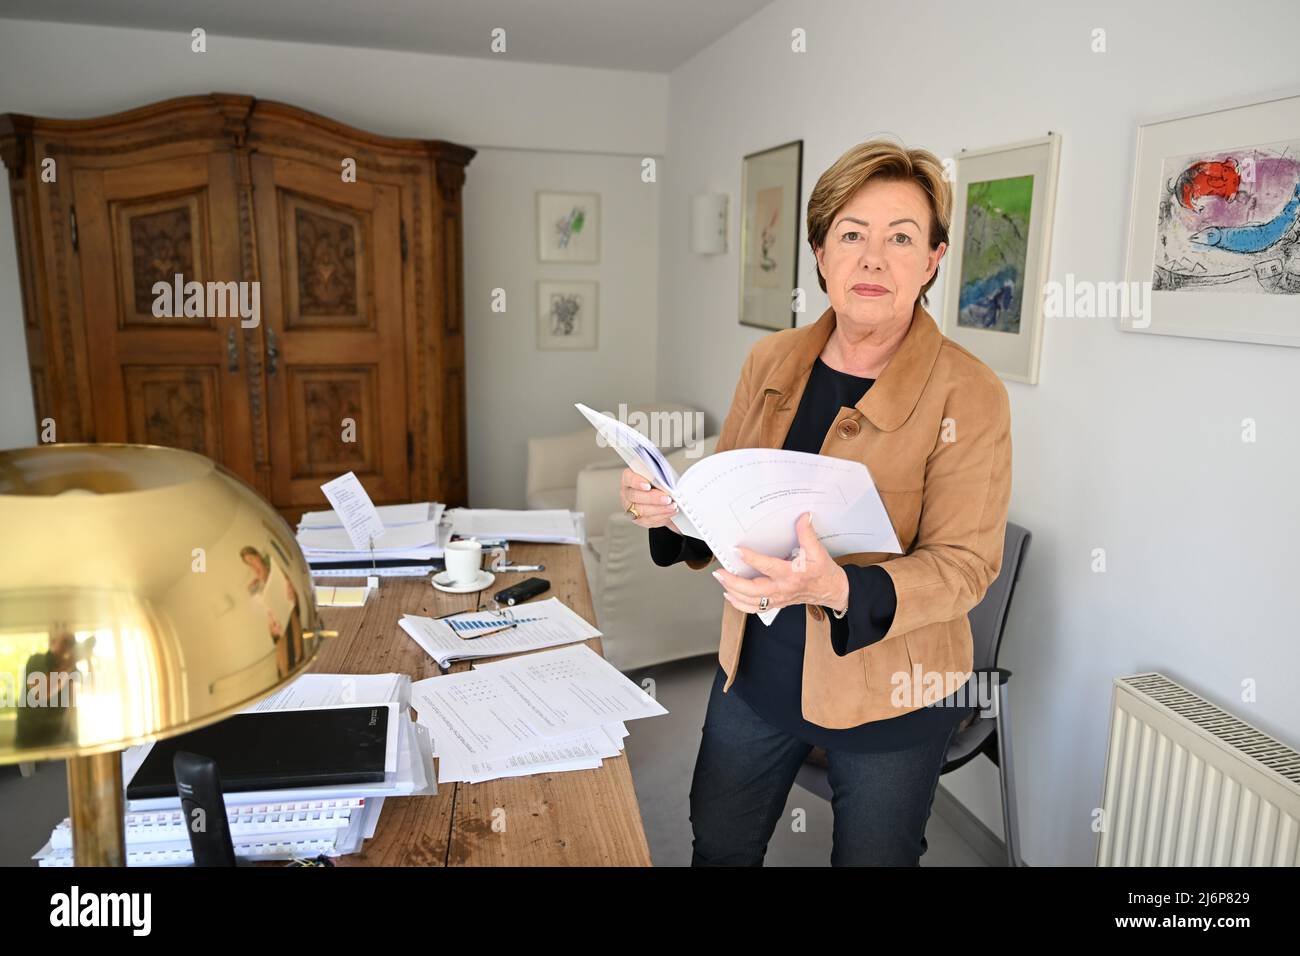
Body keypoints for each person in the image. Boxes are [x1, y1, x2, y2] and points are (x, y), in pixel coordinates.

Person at [620, 139, 1012, 866]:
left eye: (900, 238)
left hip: (893, 687)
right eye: (852, 235)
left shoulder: (971, 393)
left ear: (932, 260)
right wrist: (671, 509)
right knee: (720, 842)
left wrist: (837, 586)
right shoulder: (770, 361)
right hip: (759, 662)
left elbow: (965, 567)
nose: (873, 259)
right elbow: (730, 496)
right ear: (821, 253)